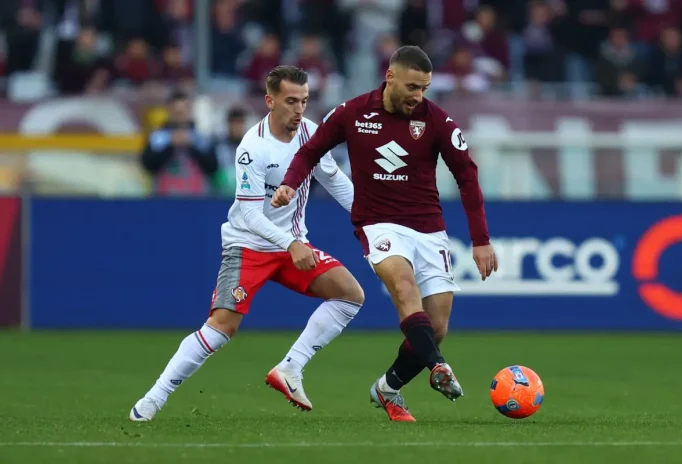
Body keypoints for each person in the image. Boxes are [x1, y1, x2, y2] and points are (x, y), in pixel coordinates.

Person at [273, 46, 498, 422]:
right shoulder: (352, 113)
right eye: (412, 87)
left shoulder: (437, 121)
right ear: (390, 76)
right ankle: (439, 367)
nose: (418, 96)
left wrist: (481, 240)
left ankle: (388, 387)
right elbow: (310, 151)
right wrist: (290, 183)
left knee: (436, 327)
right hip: (378, 223)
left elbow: (467, 176)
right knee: (404, 289)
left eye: (424, 88)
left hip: (429, 228)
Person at [129, 65, 364, 421]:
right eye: (291, 101)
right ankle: (153, 398)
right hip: (248, 245)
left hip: (291, 244)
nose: (299, 109)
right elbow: (251, 215)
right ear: (270, 101)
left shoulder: (310, 134)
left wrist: (370, 218)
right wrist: (291, 245)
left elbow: (334, 180)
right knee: (222, 327)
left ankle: (290, 368)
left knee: (349, 294)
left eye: (304, 101)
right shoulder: (252, 147)